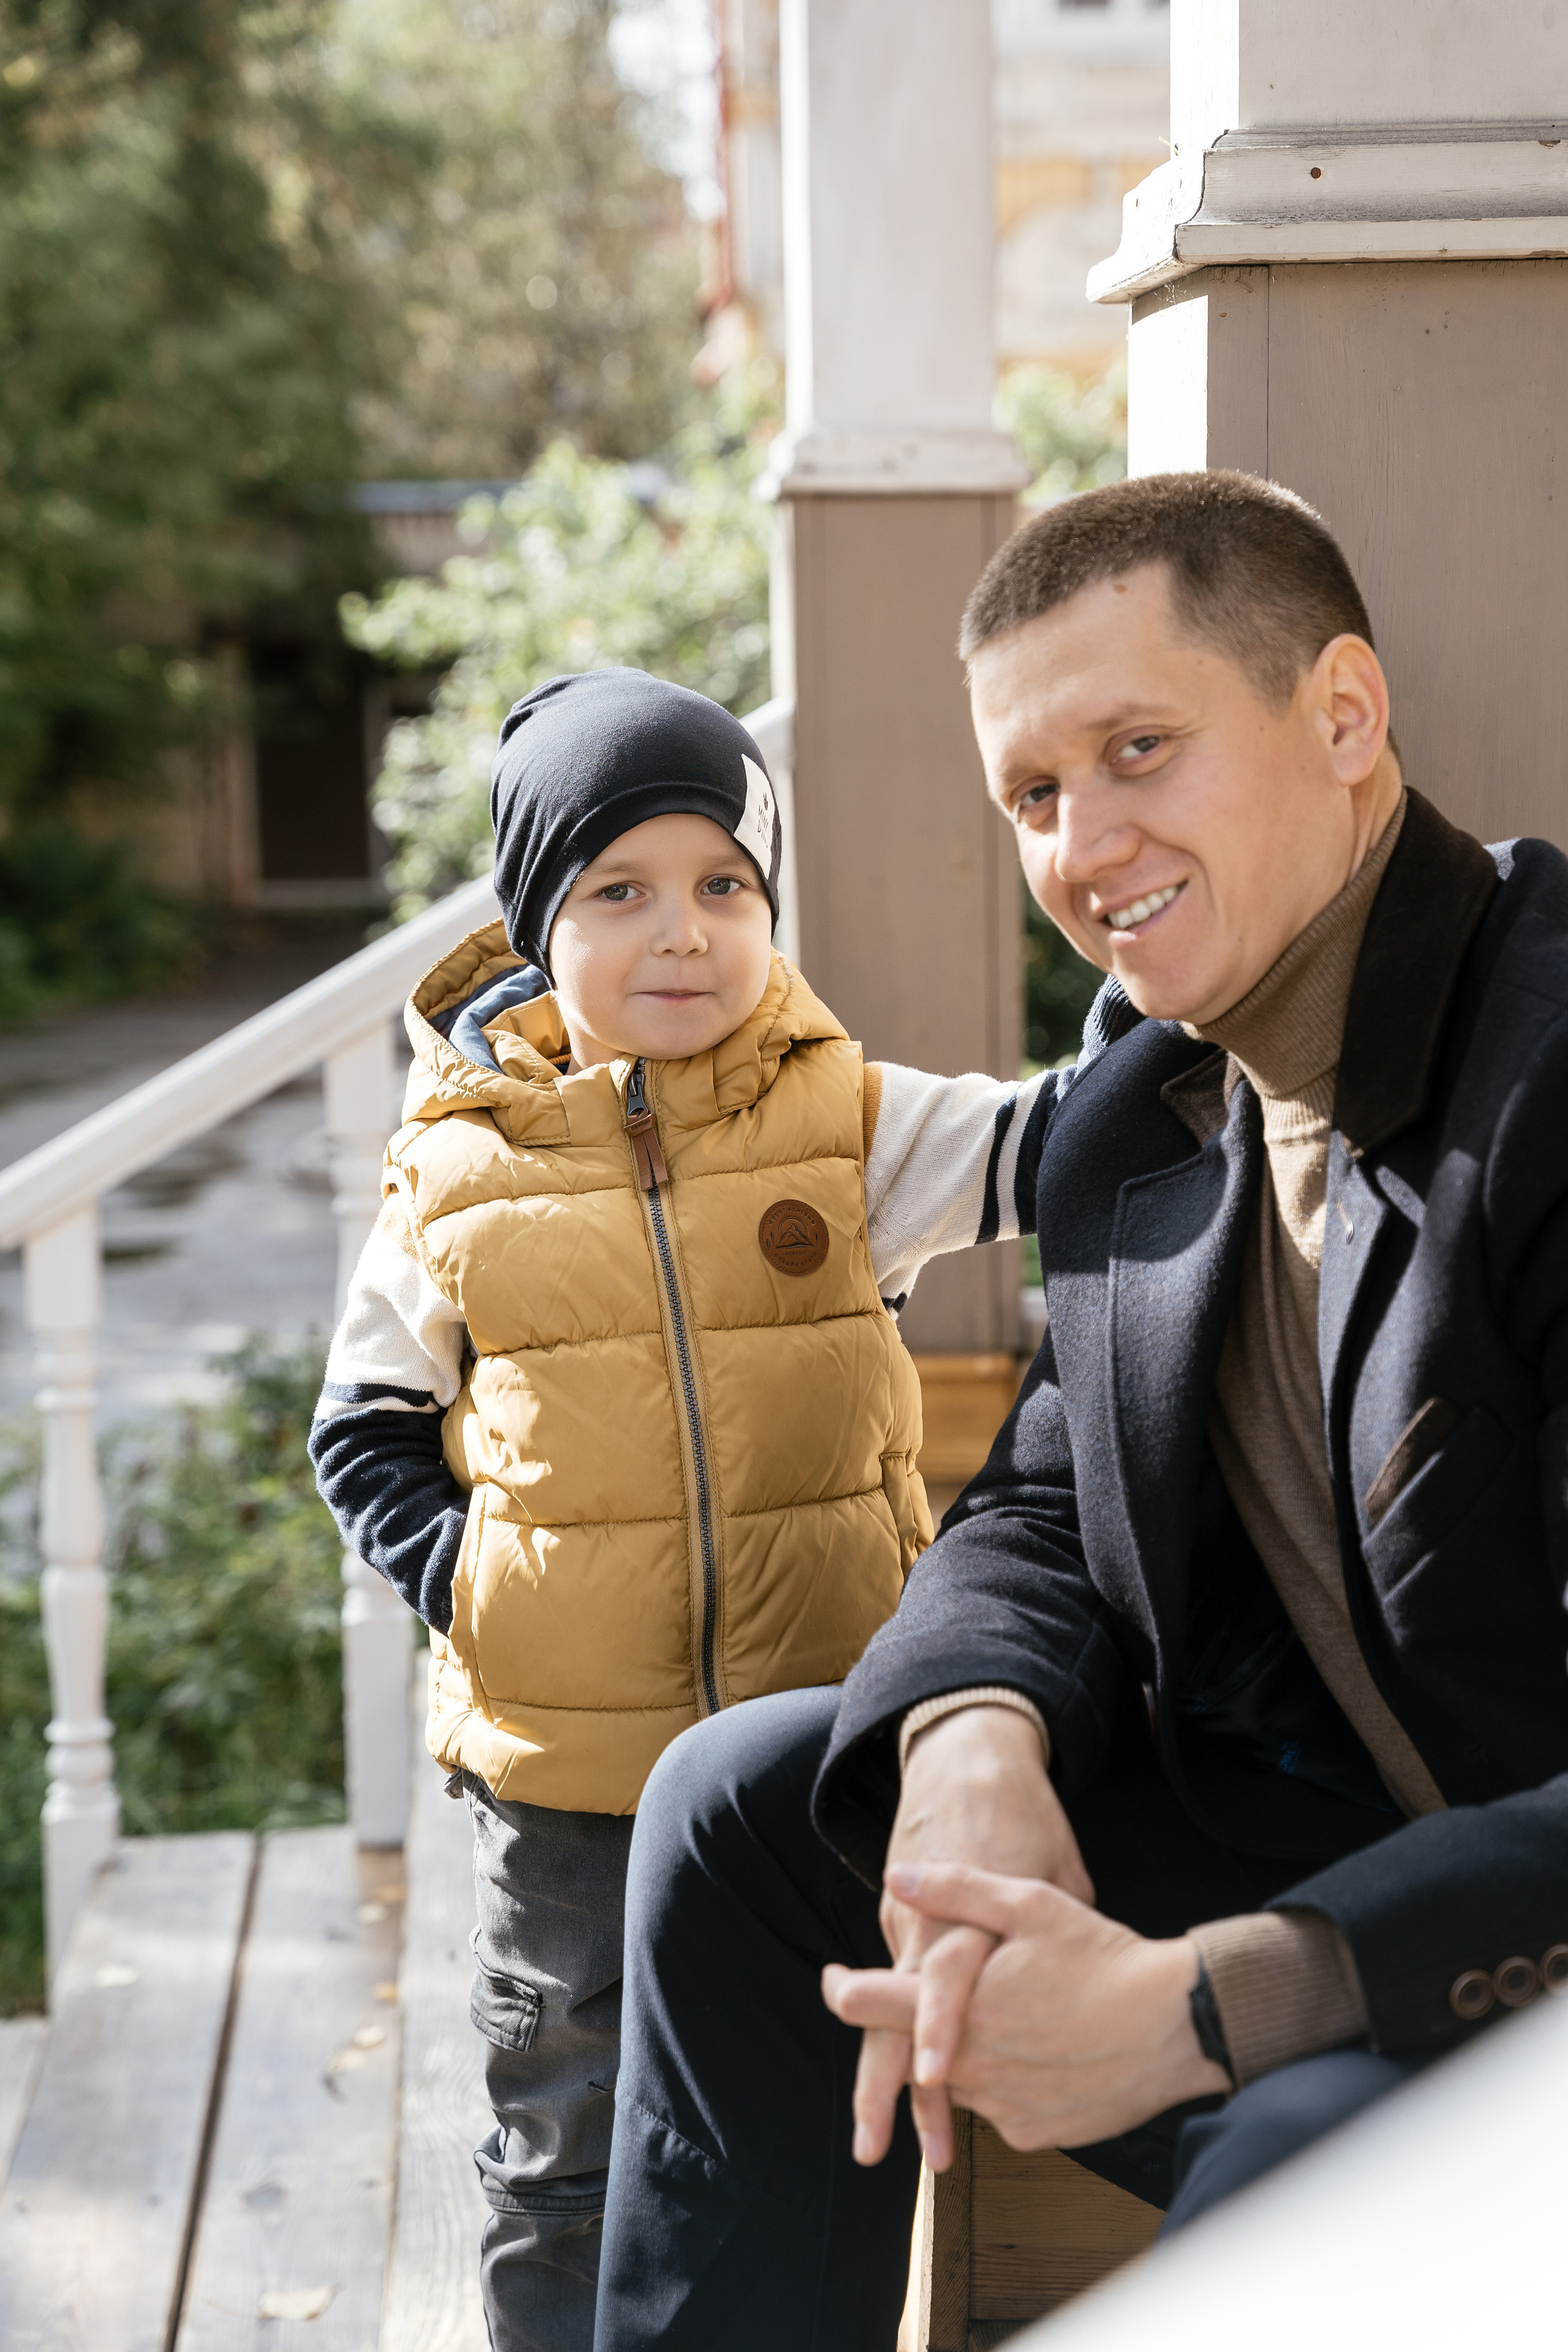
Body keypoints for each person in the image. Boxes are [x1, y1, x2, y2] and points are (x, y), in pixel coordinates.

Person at [590, 473, 1568, 2352]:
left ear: (1343, 717)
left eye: (1139, 750)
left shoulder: (1555, 1078)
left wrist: (1201, 2005)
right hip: (1324, 1829)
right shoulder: (1148, 1099)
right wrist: (974, 1747)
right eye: (1034, 795)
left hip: (1509, 1923)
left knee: (1306, 2151)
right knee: (741, 1811)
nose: (1085, 843)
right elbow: (1037, 1508)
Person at [308, 667, 1058, 2352]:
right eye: (619, 890)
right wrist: (484, 1588)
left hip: (813, 1746)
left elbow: (1045, 1146)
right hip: (567, 1781)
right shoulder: (457, 1169)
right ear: (534, 922)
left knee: (792, 2095)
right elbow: (360, 1432)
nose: (684, 933)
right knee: (567, 2123)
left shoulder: (841, 1120)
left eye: (726, 885)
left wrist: (1181, 1027)